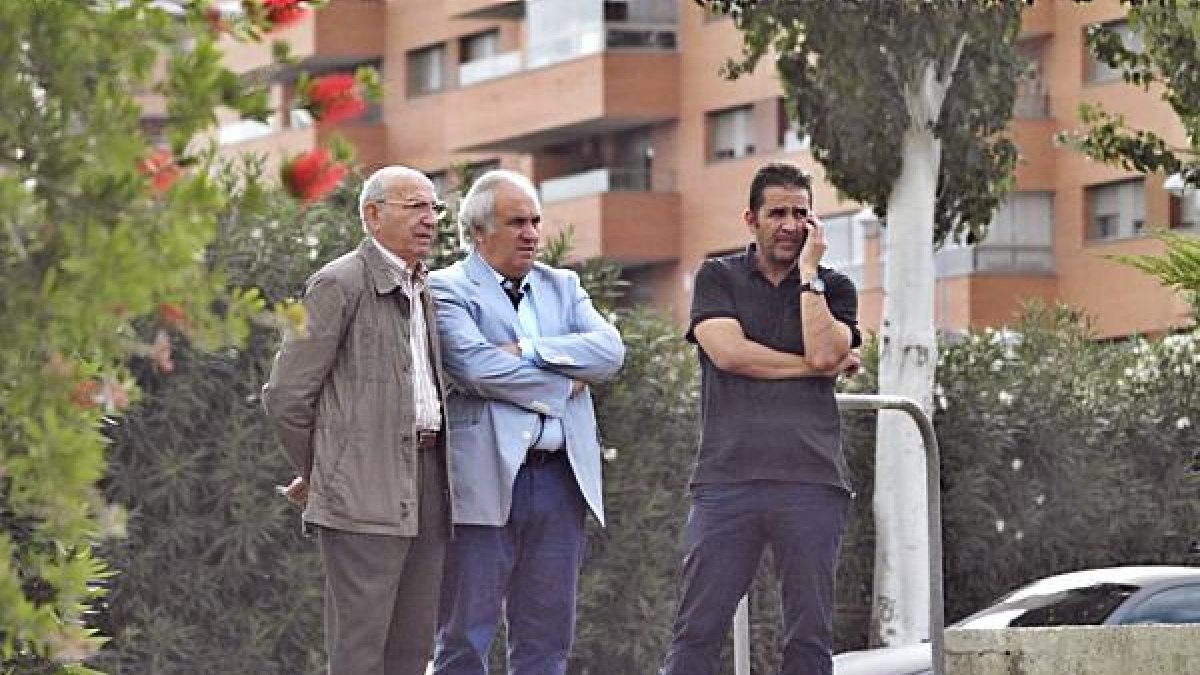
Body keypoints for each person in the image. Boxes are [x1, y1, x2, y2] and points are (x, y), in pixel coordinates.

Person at [660, 162, 862, 675]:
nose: (791, 225)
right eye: (778, 213)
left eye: (801, 214)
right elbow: (729, 355)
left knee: (809, 637)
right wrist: (815, 368)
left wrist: (810, 278)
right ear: (751, 219)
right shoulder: (717, 276)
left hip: (812, 480)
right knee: (698, 630)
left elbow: (824, 349)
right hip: (728, 480)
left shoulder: (835, 288)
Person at [428, 169, 625, 675]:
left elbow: (609, 353)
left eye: (535, 221)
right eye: (517, 222)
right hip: (485, 480)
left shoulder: (563, 285)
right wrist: (566, 381)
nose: (532, 234)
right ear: (477, 232)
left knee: (547, 635)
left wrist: (529, 351)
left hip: (561, 481)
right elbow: (474, 366)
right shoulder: (445, 289)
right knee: (464, 635)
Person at [262, 165, 453, 675]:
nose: (429, 219)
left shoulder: (423, 286)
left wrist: (327, 471)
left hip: (430, 479)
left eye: (433, 208)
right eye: (414, 206)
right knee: (359, 652)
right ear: (372, 215)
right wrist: (328, 471)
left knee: (412, 649)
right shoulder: (338, 282)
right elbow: (285, 395)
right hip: (362, 492)